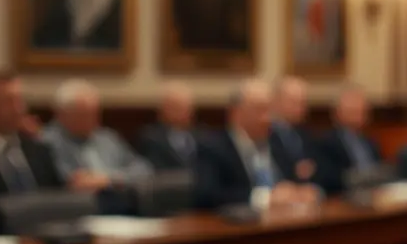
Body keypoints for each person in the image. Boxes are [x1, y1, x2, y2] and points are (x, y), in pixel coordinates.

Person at [195, 80, 318, 209]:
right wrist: (265, 198)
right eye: (260, 110)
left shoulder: (276, 141)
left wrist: (299, 192)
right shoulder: (213, 147)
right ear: (236, 113)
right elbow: (208, 195)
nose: (268, 118)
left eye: (270, 110)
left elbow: (292, 179)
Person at [0, 69, 65, 234]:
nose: (19, 109)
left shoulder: (38, 149)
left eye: (20, 100)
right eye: (8, 101)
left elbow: (58, 200)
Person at [41, 79, 153, 190]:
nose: (94, 121)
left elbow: (144, 169)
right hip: (83, 204)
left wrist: (109, 180)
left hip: (120, 199)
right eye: (84, 115)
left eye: (95, 114)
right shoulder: (48, 142)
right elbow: (69, 180)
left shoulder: (107, 137)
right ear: (62, 115)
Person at [315, 86, 383, 194]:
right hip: (344, 198)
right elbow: (329, 178)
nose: (358, 116)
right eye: (353, 111)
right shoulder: (327, 142)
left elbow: (379, 171)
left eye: (362, 111)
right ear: (338, 113)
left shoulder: (370, 142)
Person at [136, 81, 200, 171]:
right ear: (163, 110)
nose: (185, 113)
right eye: (178, 107)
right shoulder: (151, 137)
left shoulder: (203, 136)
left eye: (188, 108)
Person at [271, 76, 317, 181]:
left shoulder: (303, 133)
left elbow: (316, 163)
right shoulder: (265, 132)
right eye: (295, 103)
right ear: (277, 102)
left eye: (304, 103)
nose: (302, 108)